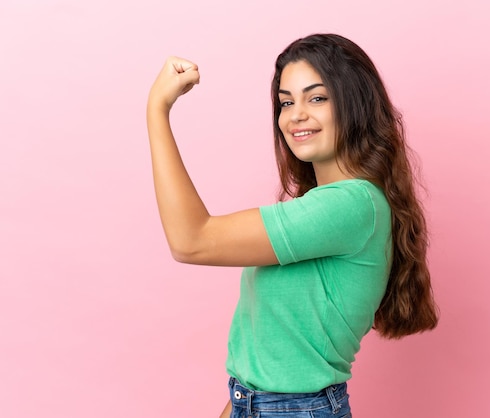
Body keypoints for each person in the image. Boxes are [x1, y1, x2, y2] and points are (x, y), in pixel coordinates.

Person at [147, 33, 438, 418]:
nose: (296, 114)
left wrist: (157, 110)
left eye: (316, 98)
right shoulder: (328, 206)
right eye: (286, 102)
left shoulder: (351, 206)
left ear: (355, 105)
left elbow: (192, 240)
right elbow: (268, 362)